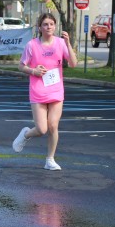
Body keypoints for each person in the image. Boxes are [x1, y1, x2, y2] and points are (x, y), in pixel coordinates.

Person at [11, 12, 77, 170]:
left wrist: (68, 43)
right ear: (40, 27)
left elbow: (73, 64)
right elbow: (21, 66)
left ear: (55, 26)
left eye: (51, 24)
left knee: (53, 126)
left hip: (56, 90)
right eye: (45, 24)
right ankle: (26, 134)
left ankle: (50, 160)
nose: (49, 27)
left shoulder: (60, 43)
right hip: (38, 91)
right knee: (42, 129)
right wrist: (33, 71)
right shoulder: (32, 45)